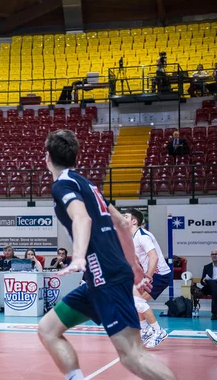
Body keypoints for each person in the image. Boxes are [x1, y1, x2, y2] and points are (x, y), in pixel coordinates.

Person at [37, 130, 176, 380]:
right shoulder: (89, 184)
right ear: (75, 158)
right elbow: (123, 224)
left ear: (47, 157)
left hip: (105, 277)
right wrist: (133, 264)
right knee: (48, 329)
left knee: (132, 355)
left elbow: (81, 217)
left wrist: (79, 255)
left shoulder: (62, 185)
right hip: (101, 277)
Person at [123, 208, 172, 347]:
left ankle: (158, 331)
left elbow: (154, 257)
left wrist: (148, 276)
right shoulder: (132, 237)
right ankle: (145, 330)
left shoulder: (143, 236)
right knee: (134, 301)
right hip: (147, 274)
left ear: (134, 221)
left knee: (137, 301)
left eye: (126, 216)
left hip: (159, 275)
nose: (122, 218)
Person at [200, 249, 217, 320]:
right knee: (212, 282)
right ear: (211, 256)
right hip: (209, 287)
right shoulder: (207, 267)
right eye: (213, 254)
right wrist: (203, 280)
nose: (214, 256)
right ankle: (215, 313)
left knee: (215, 291)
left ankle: (215, 313)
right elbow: (202, 281)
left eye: (216, 254)